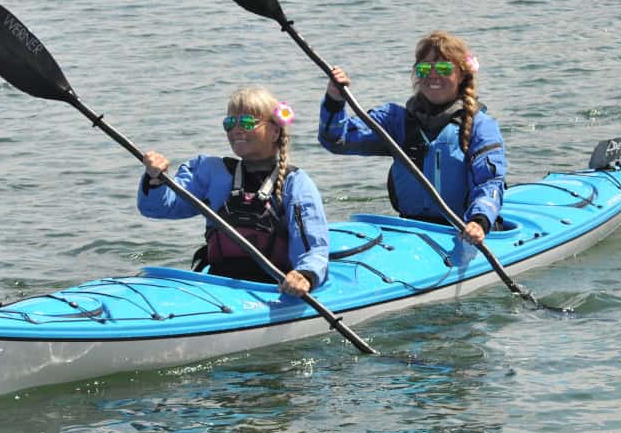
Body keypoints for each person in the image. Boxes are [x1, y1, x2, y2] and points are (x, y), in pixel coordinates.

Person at [318, 30, 507, 245]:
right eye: (425, 68)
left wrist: (479, 220)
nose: (433, 75)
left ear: (462, 75)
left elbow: (490, 182)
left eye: (444, 68)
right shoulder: (394, 120)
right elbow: (335, 140)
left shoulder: (480, 125)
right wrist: (334, 99)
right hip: (411, 228)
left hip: (464, 230)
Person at [139, 87, 328, 297]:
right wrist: (156, 178)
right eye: (230, 123)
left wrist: (305, 275)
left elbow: (313, 247)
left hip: (273, 288)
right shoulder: (212, 172)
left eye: (247, 122)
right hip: (218, 285)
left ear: (275, 131)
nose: (236, 130)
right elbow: (159, 208)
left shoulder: (296, 184)